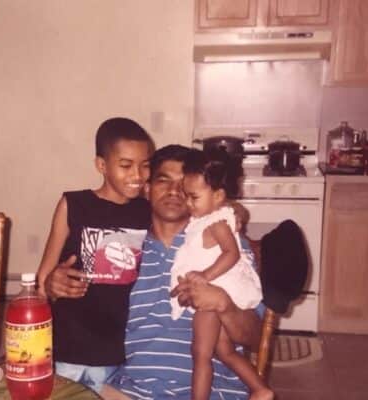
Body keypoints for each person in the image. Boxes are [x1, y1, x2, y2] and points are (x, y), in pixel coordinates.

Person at [46, 144, 264, 399]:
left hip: (212, 392)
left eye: (184, 184)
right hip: (133, 390)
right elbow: (85, 302)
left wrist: (224, 304)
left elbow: (255, 338)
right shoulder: (124, 247)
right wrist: (54, 286)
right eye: (164, 181)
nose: (174, 191)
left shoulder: (223, 247)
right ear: (146, 189)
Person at [36, 117, 155, 394]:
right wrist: (51, 283)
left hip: (126, 349)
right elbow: (42, 281)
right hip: (74, 348)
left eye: (145, 164)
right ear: (102, 166)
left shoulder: (148, 212)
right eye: (126, 165)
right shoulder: (74, 204)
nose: (138, 175)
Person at [170, 149, 270, 400]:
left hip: (216, 293)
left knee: (200, 354)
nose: (188, 203)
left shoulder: (216, 222)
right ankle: (260, 389)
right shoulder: (209, 217)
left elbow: (231, 253)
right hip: (217, 290)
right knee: (224, 350)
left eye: (194, 197)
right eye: (186, 196)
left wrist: (205, 275)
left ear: (218, 196)